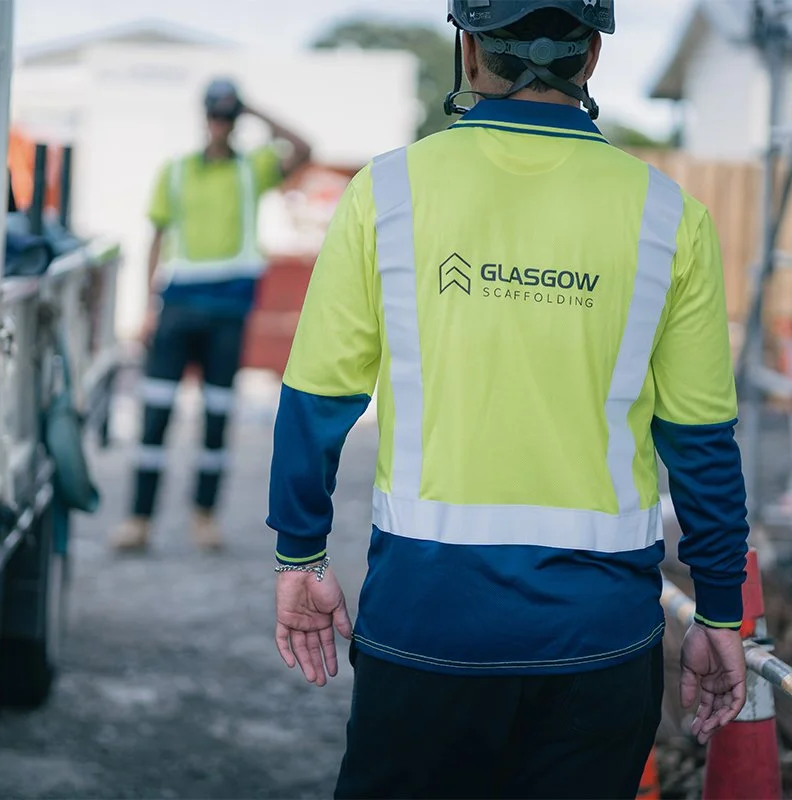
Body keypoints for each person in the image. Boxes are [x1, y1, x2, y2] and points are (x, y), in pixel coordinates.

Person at [267, 2, 750, 797]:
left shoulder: (386, 193)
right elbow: (701, 441)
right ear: (592, 56)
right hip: (600, 643)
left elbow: (317, 399)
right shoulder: (671, 218)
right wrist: (721, 613)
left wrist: (300, 555)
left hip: (425, 625)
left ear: (467, 48)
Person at [112, 78, 311, 552]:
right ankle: (139, 521)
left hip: (228, 312)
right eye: (216, 114)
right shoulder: (176, 171)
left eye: (228, 115)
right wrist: (146, 309)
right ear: (204, 117)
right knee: (155, 416)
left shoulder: (253, 169)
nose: (220, 122)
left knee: (217, 418)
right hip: (178, 308)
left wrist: (254, 106)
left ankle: (204, 517)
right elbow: (155, 240)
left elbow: (304, 148)